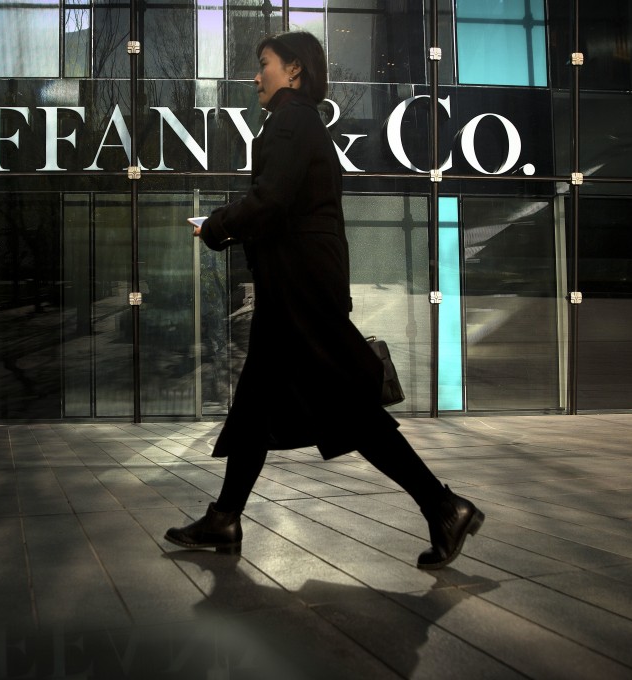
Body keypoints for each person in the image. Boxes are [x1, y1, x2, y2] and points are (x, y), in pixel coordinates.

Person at [164, 31, 483, 570]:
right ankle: (225, 517)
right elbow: (280, 205)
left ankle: (443, 505)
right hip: (298, 287)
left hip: (300, 292)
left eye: (263, 63)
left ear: (294, 71)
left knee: (347, 409)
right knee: (257, 403)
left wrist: (216, 226)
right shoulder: (295, 122)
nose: (255, 74)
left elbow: (269, 200)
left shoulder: (292, 120)